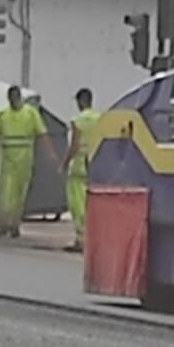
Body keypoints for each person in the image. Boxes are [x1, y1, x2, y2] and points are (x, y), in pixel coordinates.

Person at [0, 84, 50, 239]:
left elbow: (42, 134)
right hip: (7, 157)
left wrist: (49, 154)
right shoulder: (3, 115)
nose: (13, 102)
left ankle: (14, 224)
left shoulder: (31, 114)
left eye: (15, 98)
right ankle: (2, 224)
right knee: (4, 192)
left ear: (19, 97)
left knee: (20, 193)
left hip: (24, 157)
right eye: (11, 99)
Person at [65, 87, 101, 251]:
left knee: (77, 201)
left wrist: (64, 163)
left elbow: (74, 145)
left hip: (79, 163)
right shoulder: (100, 118)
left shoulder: (77, 120)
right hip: (94, 162)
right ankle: (92, 237)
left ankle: (81, 239)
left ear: (81, 101)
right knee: (91, 200)